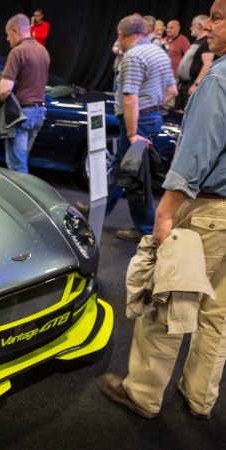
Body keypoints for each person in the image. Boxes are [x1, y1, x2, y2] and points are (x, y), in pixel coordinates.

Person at [101, 0, 226, 420]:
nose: (208, 25)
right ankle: (200, 397)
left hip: (204, 212)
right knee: (217, 316)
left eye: (219, 17)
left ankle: (142, 393)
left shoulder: (221, 80)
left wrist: (166, 210)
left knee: (166, 304)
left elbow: (196, 154)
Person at [103, 15, 177, 242]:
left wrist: (132, 132)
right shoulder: (159, 51)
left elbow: (130, 99)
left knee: (134, 176)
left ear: (121, 34)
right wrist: (154, 107)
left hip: (138, 123)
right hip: (152, 117)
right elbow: (172, 90)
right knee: (122, 169)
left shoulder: (133, 56)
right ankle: (98, 210)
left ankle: (146, 229)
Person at [0, 14, 49, 174]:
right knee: (22, 161)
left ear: (15, 30)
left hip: (21, 116)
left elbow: (4, 89)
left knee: (16, 168)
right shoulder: (43, 51)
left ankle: (20, 198)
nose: (7, 38)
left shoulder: (17, 52)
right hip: (38, 113)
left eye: (8, 34)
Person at [176, 15, 214, 110]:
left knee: (187, 113)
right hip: (185, 85)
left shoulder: (206, 42)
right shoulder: (198, 41)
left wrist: (196, 85)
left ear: (200, 26)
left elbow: (207, 63)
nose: (190, 28)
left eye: (192, 25)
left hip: (192, 85)